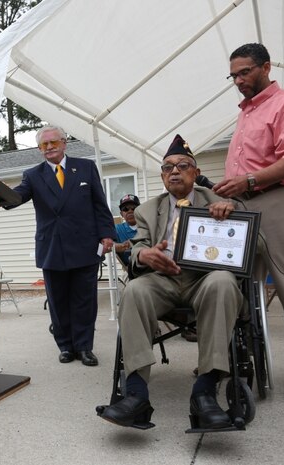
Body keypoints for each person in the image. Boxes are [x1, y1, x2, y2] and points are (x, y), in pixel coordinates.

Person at [100, 134, 241, 430]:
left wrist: (231, 218)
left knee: (223, 282)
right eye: (167, 167)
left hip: (205, 279)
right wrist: (145, 255)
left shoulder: (222, 201)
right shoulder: (147, 210)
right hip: (162, 278)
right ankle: (136, 394)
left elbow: (259, 246)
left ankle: (205, 391)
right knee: (135, 290)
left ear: (196, 172)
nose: (174, 171)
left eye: (182, 165)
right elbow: (137, 247)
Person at [214, 43, 284, 400]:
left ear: (266, 67)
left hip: (282, 200)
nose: (238, 80)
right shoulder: (245, 113)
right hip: (243, 206)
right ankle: (240, 360)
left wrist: (247, 181)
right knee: (239, 285)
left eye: (245, 72)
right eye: (233, 75)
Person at [7, 125, 116, 366]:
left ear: (64, 143)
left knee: (84, 301)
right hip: (52, 248)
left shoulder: (86, 167)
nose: (49, 148)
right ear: (39, 149)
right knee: (58, 301)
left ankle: (85, 347)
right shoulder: (32, 175)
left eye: (53, 142)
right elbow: (17, 196)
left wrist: (107, 234)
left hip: (85, 245)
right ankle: (66, 346)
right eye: (44, 145)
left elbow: (100, 204)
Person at [114, 194, 140, 267]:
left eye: (134, 208)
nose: (130, 211)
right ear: (121, 214)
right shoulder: (117, 229)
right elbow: (108, 244)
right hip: (129, 269)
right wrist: (122, 246)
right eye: (125, 209)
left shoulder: (148, 226)